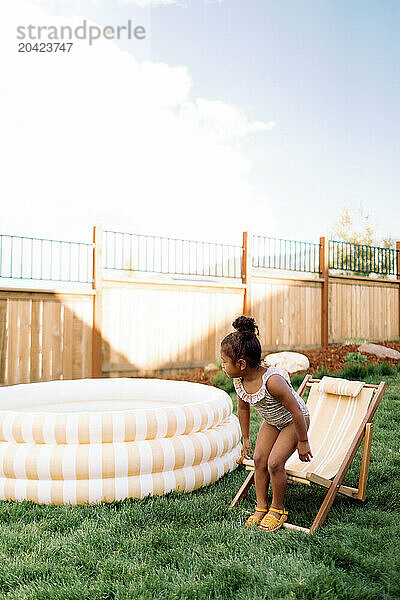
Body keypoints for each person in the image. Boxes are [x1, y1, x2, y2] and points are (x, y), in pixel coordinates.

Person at [221, 315, 312, 532]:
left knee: (274, 463)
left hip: (293, 421)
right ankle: (261, 507)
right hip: (272, 420)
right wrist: (245, 438)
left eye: (224, 361)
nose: (222, 365)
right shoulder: (239, 381)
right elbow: (243, 409)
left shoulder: (273, 381)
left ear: (241, 364)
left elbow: (296, 411)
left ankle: (277, 509)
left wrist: (303, 441)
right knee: (259, 459)